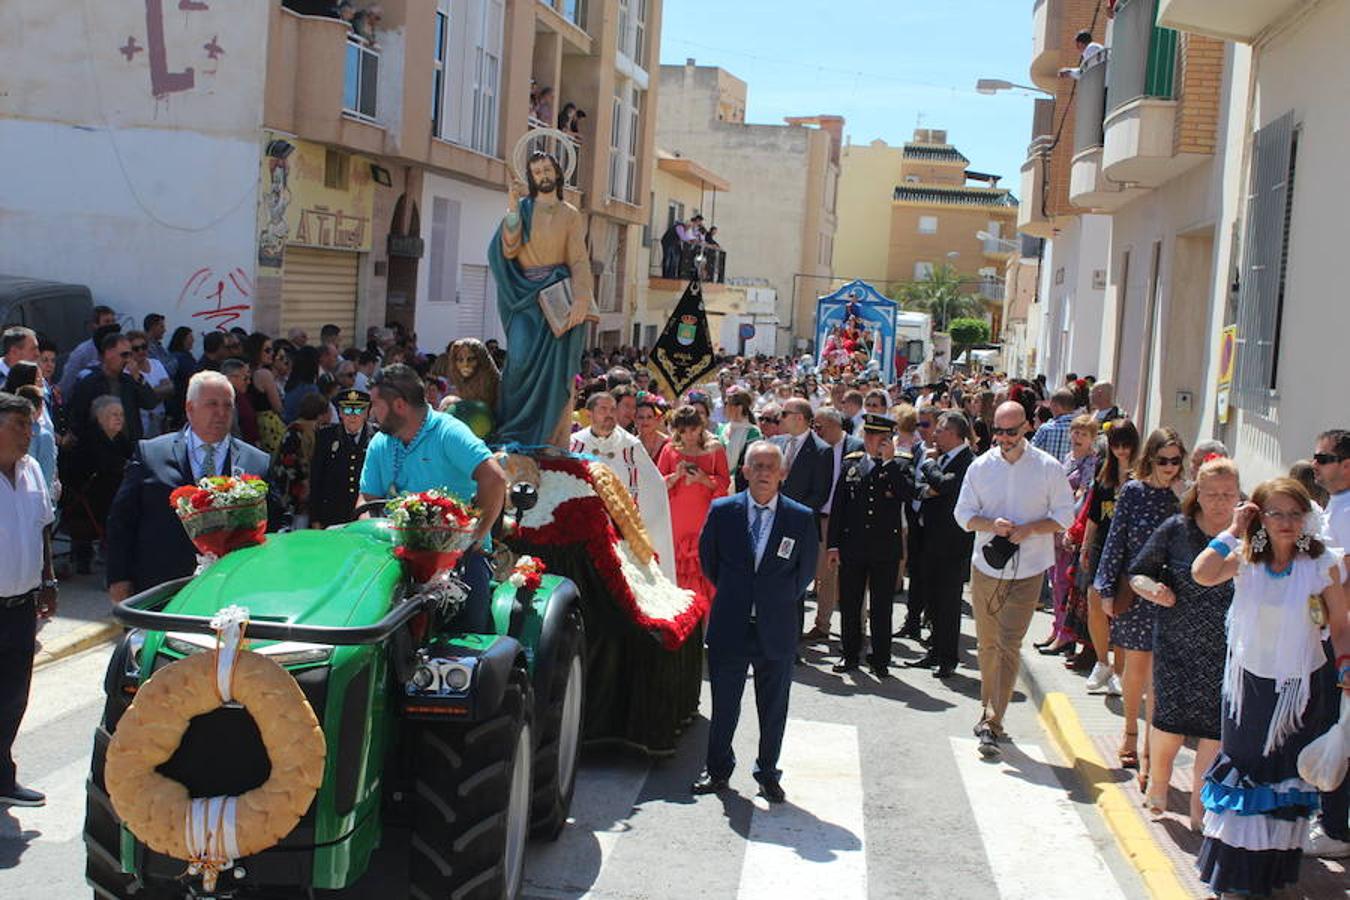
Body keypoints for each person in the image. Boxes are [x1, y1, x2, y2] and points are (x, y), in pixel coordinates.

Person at [1190, 478, 1349, 898]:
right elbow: (1201, 573)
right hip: (1247, 688)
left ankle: (1265, 877)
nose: (1286, 522)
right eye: (1275, 513)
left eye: (1295, 513)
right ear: (1259, 516)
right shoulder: (1245, 559)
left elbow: (1340, 625)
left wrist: (1346, 667)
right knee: (1244, 775)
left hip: (1299, 691)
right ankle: (1233, 878)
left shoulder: (1323, 564)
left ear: (1306, 517)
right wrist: (1232, 530)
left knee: (1282, 778)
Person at [693, 441, 818, 803]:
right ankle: (717, 770)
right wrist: (739, 594)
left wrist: (771, 599)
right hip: (731, 624)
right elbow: (709, 562)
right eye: (756, 466)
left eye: (770, 467)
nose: (764, 473)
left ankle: (768, 773)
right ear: (744, 471)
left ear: (782, 474)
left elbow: (805, 571)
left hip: (775, 627)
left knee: (774, 707)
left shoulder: (800, 517)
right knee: (724, 705)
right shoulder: (722, 511)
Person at [953, 401, 1077, 758]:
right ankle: (987, 709)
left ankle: (993, 721)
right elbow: (962, 514)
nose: (1005, 439)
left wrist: (1031, 529)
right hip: (987, 568)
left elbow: (1065, 516)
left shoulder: (1048, 468)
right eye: (999, 431)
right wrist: (992, 525)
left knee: (1009, 644)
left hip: (1029, 569)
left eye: (1011, 431)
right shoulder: (980, 467)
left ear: (1026, 429)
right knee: (988, 643)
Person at [1128, 457, 1239, 829]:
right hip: (1176, 639)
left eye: (1228, 494)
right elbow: (1138, 572)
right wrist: (1152, 589)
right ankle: (1158, 785)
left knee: (1214, 728)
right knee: (1169, 721)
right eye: (1212, 494)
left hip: (1227, 647)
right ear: (1198, 493)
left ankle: (1199, 803)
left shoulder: (1251, 536)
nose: (1221, 502)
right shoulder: (1177, 529)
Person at [357, 365, 507, 633]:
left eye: (376, 405)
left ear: (400, 405)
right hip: (394, 557)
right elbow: (366, 499)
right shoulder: (381, 442)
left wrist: (472, 538)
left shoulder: (448, 432)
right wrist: (371, 534)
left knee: (465, 643)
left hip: (457, 559)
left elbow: (494, 479)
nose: (371, 413)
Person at [105, 371, 274, 600]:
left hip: (230, 592)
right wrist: (118, 579)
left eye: (228, 405)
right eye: (212, 404)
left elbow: (272, 525)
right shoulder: (151, 454)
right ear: (190, 408)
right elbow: (121, 521)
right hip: (162, 589)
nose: (221, 413)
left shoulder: (256, 462)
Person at [1093, 426, 1186, 778]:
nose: (1169, 467)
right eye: (1163, 460)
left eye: (1175, 461)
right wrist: (1105, 589)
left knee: (1160, 674)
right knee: (1136, 667)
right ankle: (1130, 732)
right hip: (1135, 588)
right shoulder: (1133, 492)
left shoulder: (1183, 497)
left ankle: (1153, 745)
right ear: (1150, 458)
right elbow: (1116, 540)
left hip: (1171, 593)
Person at [490, 151, 594, 447]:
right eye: (536, 172)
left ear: (558, 173)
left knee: (556, 372)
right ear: (531, 178)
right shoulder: (522, 209)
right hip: (524, 295)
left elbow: (578, 259)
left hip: (556, 299)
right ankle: (512, 429)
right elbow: (509, 251)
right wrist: (512, 206)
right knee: (519, 359)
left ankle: (547, 437)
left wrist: (581, 298)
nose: (543, 175)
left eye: (547, 169)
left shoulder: (570, 214)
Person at [0, 392, 57, 808]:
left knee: (14, 696)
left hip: (21, 606)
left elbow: (43, 528)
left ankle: (3, 776)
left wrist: (49, 580)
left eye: (30, 424)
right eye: (19, 425)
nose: (28, 433)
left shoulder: (33, 469)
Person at [827, 413, 915, 677]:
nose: (871, 441)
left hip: (884, 549)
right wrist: (833, 545)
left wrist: (888, 463)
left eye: (878, 437)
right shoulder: (851, 463)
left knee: (881, 607)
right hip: (853, 546)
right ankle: (850, 654)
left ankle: (880, 658)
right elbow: (839, 507)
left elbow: (908, 494)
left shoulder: (900, 464)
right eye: (868, 435)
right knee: (850, 604)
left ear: (889, 440)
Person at [572, 392, 677, 583]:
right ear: (589, 414)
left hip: (624, 539)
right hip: (585, 536)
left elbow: (655, 490)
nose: (609, 414)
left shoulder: (630, 445)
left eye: (613, 409)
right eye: (603, 409)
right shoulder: (575, 445)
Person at [906, 411, 976, 679]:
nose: (934, 433)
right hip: (931, 538)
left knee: (947, 603)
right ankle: (934, 651)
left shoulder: (967, 461)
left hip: (951, 544)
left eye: (941, 429)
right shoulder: (944, 458)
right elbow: (924, 488)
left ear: (956, 434)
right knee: (933, 600)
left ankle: (948, 658)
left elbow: (945, 486)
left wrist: (930, 467)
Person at [1309, 427, 1350, 859]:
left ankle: (1335, 827)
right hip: (1332, 635)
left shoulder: (1346, 511)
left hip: (1340, 639)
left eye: (1322, 458)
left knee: (1333, 726)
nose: (1315, 464)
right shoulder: (1334, 507)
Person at [1080, 420, 1140, 694]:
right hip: (1102, 545)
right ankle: (1102, 661)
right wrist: (1084, 546)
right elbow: (1093, 515)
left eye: (1125, 444)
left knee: (1122, 608)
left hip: (1129, 550)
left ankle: (1120, 668)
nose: (1121, 450)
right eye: (1115, 444)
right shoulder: (1104, 475)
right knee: (1095, 601)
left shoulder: (1140, 477)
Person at [1039, 414, 1099, 657]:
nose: (1077, 437)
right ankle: (1056, 628)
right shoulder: (1067, 458)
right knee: (1054, 580)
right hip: (1055, 521)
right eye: (1075, 432)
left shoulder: (1091, 462)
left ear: (1092, 438)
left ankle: (1065, 635)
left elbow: (1083, 494)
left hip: (1069, 526)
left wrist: (1067, 523)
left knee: (1064, 582)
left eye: (1083, 434)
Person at [658, 405, 730, 605]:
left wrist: (703, 478)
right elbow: (659, 484)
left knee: (705, 565)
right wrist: (676, 476)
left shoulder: (715, 449)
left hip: (705, 516)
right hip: (677, 519)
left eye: (693, 429)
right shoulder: (669, 449)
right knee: (677, 569)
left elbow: (725, 483)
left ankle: (707, 621)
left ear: (701, 426)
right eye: (682, 431)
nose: (688, 435)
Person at [803, 407, 862, 642]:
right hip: (823, 519)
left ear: (835, 425)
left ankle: (858, 629)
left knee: (854, 576)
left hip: (850, 521)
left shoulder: (856, 447)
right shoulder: (817, 449)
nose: (815, 431)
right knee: (825, 575)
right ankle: (822, 625)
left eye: (819, 426)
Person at [61, 396, 133, 573]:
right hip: (87, 497)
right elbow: (103, 466)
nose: (119, 418)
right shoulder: (90, 438)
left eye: (121, 415)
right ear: (100, 418)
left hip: (110, 492)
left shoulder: (119, 438)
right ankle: (86, 557)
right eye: (113, 414)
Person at [67, 332, 159, 445]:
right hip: (100, 450)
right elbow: (77, 419)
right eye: (124, 355)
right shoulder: (89, 383)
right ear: (108, 354)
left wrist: (138, 378)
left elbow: (150, 403)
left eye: (130, 355)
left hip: (129, 447)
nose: (128, 360)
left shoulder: (129, 381)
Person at [308, 389, 376, 529]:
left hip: (365, 514)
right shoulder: (326, 437)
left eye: (358, 411)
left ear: (366, 413)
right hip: (333, 514)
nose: (352, 416)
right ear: (339, 413)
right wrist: (315, 519)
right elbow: (316, 479)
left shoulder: (376, 437)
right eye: (347, 410)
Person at [272, 392, 329, 528]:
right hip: (298, 490)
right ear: (321, 413)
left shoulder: (292, 429)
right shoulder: (309, 432)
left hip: (288, 488)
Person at [57, 305, 118, 398]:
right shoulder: (82, 352)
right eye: (107, 322)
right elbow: (67, 383)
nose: (111, 325)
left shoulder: (120, 347)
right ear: (95, 325)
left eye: (113, 321)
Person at [126, 330, 174, 438]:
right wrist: (158, 391)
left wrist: (148, 392)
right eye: (136, 349)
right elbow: (137, 397)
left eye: (144, 347)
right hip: (141, 427)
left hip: (159, 422)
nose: (141, 351)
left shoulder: (155, 364)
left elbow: (170, 388)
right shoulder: (126, 371)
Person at [1031, 388, 1077, 462]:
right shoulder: (1080, 429)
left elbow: (1032, 452)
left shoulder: (1046, 429)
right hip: (1070, 472)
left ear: (1055, 406)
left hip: (1048, 472)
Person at [634, 392, 669, 461]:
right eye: (641, 417)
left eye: (649, 417)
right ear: (635, 420)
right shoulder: (631, 445)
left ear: (655, 419)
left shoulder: (668, 444)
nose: (645, 421)